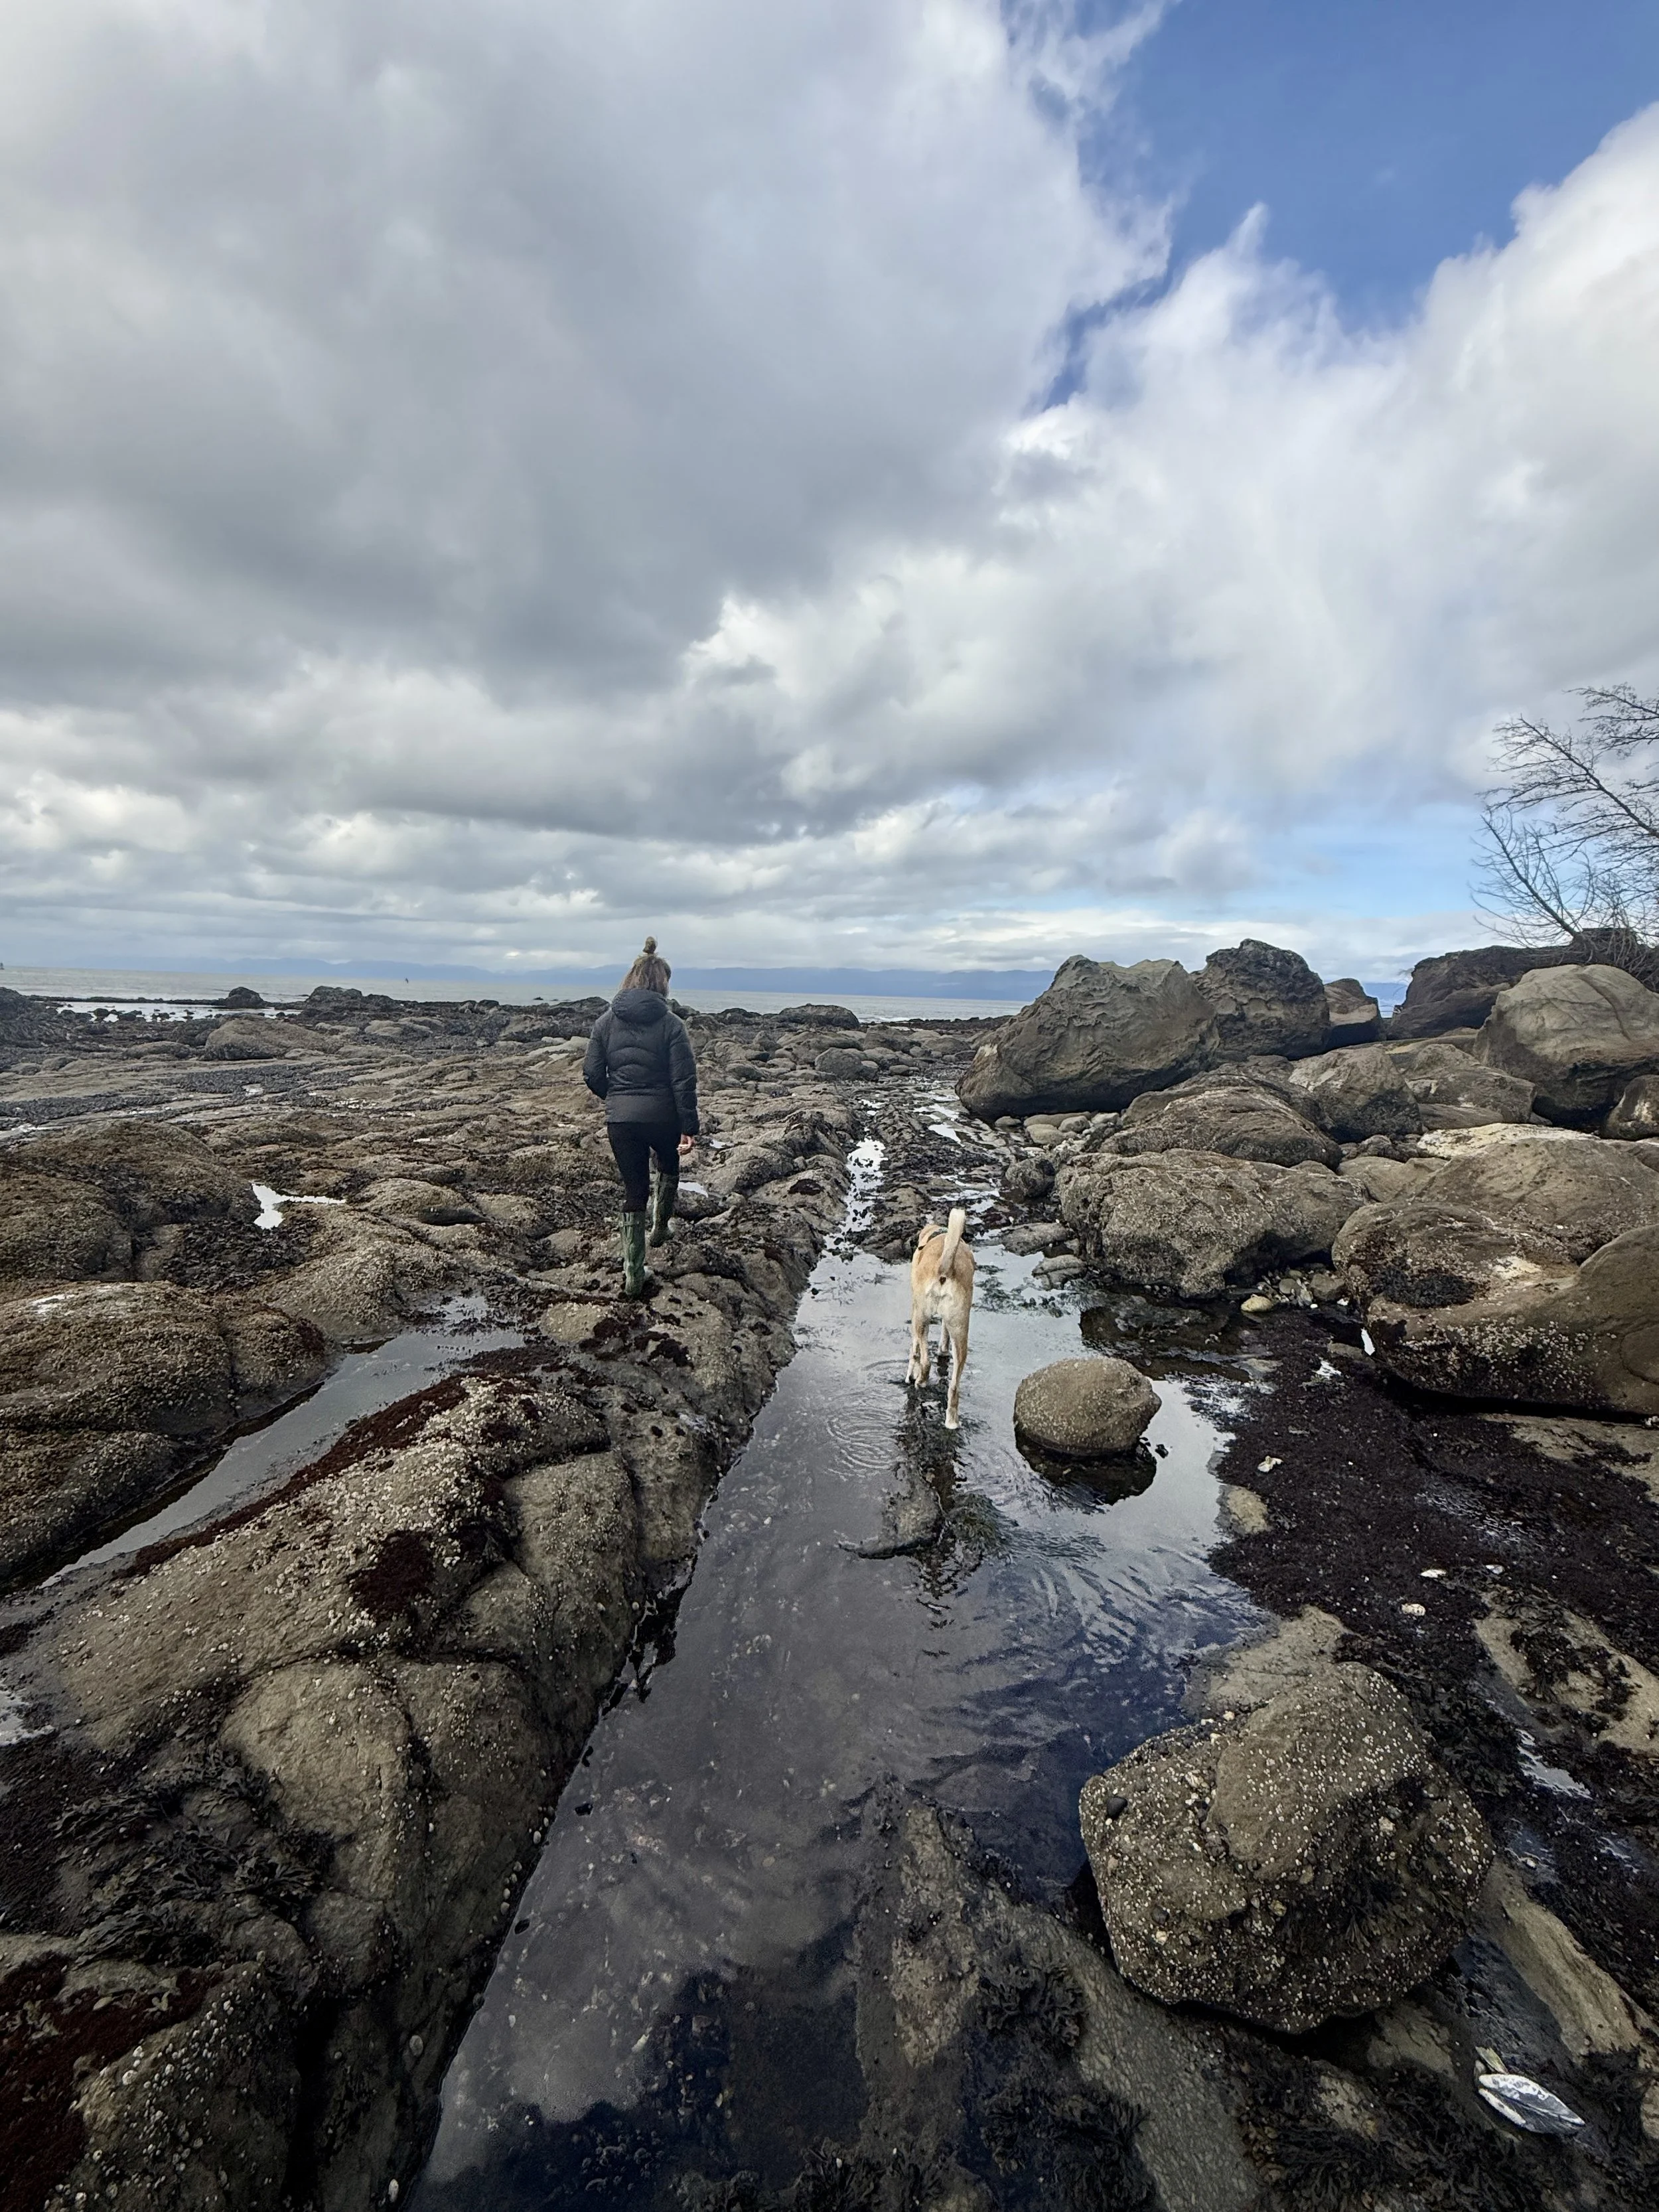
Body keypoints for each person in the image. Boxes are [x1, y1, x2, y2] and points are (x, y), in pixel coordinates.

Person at [583, 937, 699, 1296]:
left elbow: (591, 1073)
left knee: (634, 1190)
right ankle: (660, 1228)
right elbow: (684, 1080)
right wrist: (688, 1126)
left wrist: (616, 1099)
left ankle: (633, 1274)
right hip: (663, 1115)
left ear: (629, 979)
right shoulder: (672, 1024)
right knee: (668, 1164)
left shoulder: (605, 1022)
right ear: (662, 984)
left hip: (621, 1120)